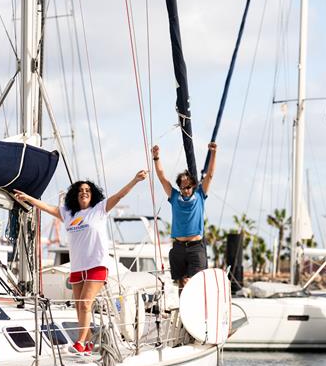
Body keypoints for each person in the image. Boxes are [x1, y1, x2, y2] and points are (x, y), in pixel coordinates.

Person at [13, 170, 148, 355]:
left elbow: (119, 195)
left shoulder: (99, 209)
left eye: (87, 190)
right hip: (77, 267)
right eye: (80, 191)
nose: (84, 192)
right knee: (79, 307)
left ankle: (80, 343)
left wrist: (135, 179)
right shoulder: (68, 214)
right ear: (75, 196)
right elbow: (46, 207)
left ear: (92, 195)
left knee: (85, 304)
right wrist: (28, 197)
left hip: (97, 265)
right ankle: (92, 337)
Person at [152, 142, 217, 288]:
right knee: (182, 283)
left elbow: (210, 175)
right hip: (179, 247)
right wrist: (156, 158)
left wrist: (213, 153)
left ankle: (197, 310)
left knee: (196, 283)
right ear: (179, 187)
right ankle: (183, 310)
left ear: (193, 186)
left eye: (188, 187)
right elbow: (162, 178)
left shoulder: (200, 195)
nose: (186, 190)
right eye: (183, 187)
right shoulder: (175, 197)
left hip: (196, 247)